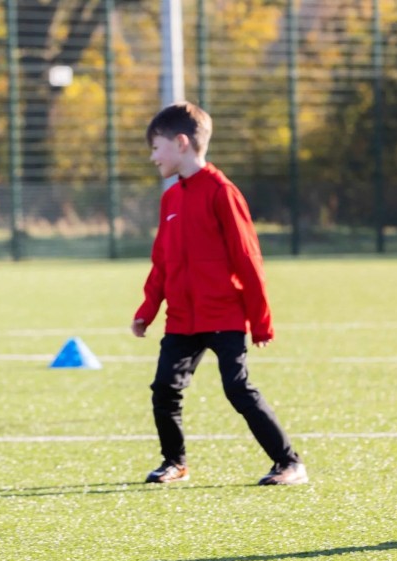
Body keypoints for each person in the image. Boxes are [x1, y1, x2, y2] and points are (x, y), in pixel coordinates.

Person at [131, 101, 307, 487]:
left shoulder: (221, 192)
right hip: (181, 319)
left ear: (181, 143)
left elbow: (248, 259)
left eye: (156, 147)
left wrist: (260, 322)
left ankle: (289, 463)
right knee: (165, 389)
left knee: (237, 388)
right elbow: (161, 262)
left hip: (223, 315)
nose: (152, 156)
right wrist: (147, 310)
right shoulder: (171, 199)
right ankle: (174, 463)